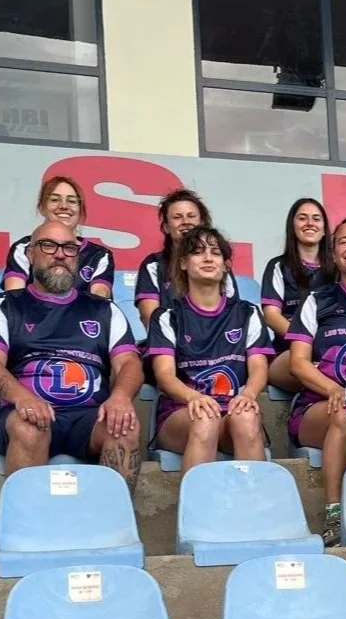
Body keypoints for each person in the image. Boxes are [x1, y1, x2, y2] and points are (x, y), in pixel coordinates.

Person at [0, 220, 144, 490]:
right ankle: (27, 526)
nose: (60, 254)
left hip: (88, 416)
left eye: (69, 248)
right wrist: (23, 398)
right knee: (29, 427)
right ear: (30, 254)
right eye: (48, 245)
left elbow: (129, 362)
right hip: (25, 412)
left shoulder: (104, 310)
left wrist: (120, 397)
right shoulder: (6, 305)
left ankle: (113, 521)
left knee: (124, 428)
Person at [287, 217, 346, 546]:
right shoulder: (318, 300)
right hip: (321, 406)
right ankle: (332, 515)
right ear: (333, 252)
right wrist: (334, 389)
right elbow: (298, 363)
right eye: (343, 241)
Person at [146, 226, 271, 475]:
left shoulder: (248, 313)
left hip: (231, 408)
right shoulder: (167, 316)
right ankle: (196, 512)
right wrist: (194, 398)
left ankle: (253, 508)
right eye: (198, 252)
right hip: (182, 412)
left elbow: (258, 368)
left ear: (225, 265)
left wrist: (249, 395)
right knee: (205, 418)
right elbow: (165, 376)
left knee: (246, 419)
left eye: (215, 253)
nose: (207, 258)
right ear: (183, 263)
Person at [135, 189, 237, 328]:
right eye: (177, 217)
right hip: (168, 343)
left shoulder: (216, 264)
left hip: (216, 344)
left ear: (202, 223)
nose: (185, 222)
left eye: (191, 216)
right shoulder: (153, 264)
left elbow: (232, 315)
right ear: (166, 227)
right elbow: (149, 316)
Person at [260, 198, 333, 391]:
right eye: (302, 218)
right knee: (307, 359)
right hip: (288, 353)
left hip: (329, 350)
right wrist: (308, 341)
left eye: (316, 219)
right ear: (292, 227)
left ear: (325, 229)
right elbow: (272, 316)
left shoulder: (338, 270)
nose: (310, 223)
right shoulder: (278, 266)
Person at [2, 176, 114, 298]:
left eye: (72, 201)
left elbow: (99, 302)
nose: (64, 206)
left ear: (80, 210)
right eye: (55, 200)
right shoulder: (23, 248)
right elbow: (14, 299)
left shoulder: (99, 255)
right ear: (42, 208)